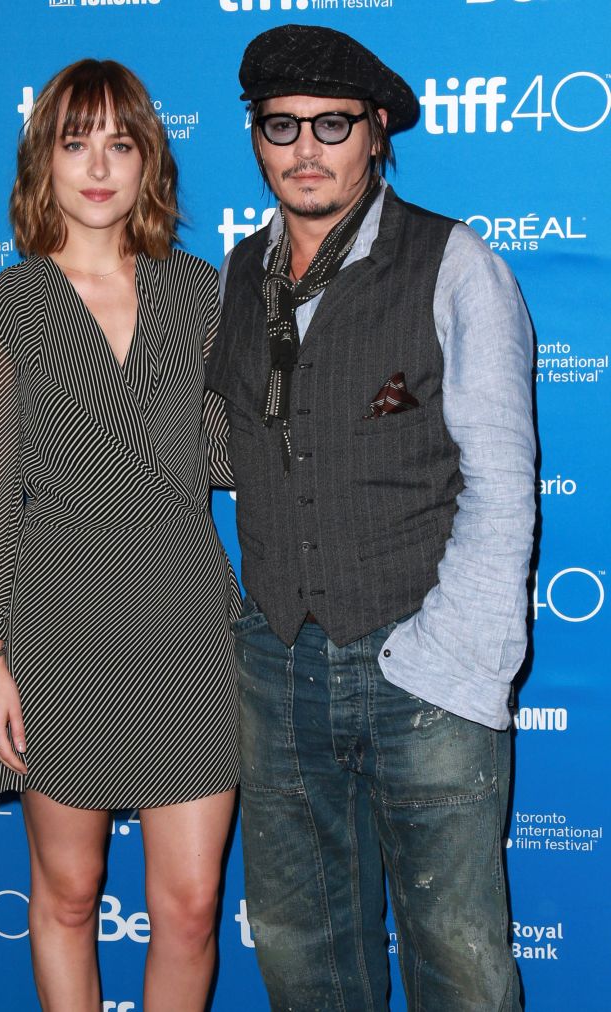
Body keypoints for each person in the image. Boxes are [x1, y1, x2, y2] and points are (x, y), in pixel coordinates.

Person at [206, 24, 535, 1012]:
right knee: (304, 959)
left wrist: (454, 653)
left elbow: (502, 478)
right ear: (255, 135)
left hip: (421, 663)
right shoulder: (238, 274)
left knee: (460, 962)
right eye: (281, 125)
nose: (305, 149)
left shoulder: (454, 261)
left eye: (332, 124)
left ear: (377, 129)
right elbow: (235, 451)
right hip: (278, 665)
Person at [0, 58, 239, 1012]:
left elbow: (223, 455)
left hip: (187, 625)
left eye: (121, 144)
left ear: (148, 160)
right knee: (69, 896)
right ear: (45, 161)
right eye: (76, 144)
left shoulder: (199, 291)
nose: (100, 167)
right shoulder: (1, 310)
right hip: (60, 629)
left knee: (190, 909)